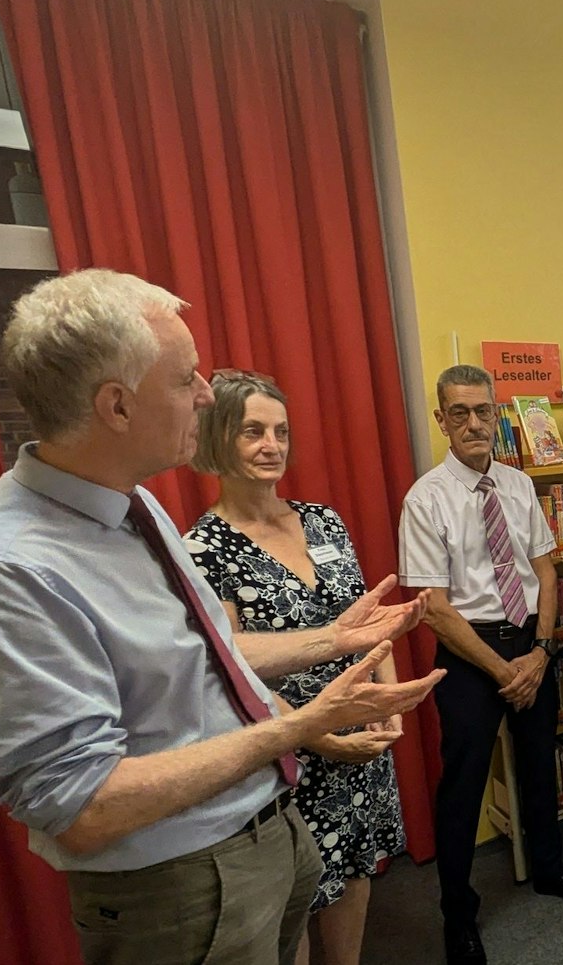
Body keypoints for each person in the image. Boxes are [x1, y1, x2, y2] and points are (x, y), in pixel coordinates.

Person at [0, 269, 441, 965]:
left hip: (266, 834)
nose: (204, 395)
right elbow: (83, 805)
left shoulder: (134, 504)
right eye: (186, 377)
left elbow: (203, 651)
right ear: (117, 406)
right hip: (186, 884)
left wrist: (335, 640)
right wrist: (296, 728)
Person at [184, 370, 405, 965]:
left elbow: (367, 621)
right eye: (252, 431)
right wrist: (315, 731)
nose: (271, 445)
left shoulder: (324, 521)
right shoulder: (203, 548)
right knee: (298, 898)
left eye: (280, 431)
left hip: (361, 737)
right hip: (291, 749)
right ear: (217, 438)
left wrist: (389, 704)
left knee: (357, 870)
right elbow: (228, 661)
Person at [400, 364, 563, 965]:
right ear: (442, 420)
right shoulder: (425, 499)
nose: (473, 423)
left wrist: (541, 652)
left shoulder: (518, 486)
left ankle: (549, 870)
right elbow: (436, 610)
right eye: (459, 413)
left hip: (531, 645)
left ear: (497, 414)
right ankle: (458, 915)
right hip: (471, 655)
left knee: (539, 763)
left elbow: (545, 570)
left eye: (483, 411)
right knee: (463, 787)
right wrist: (502, 670)